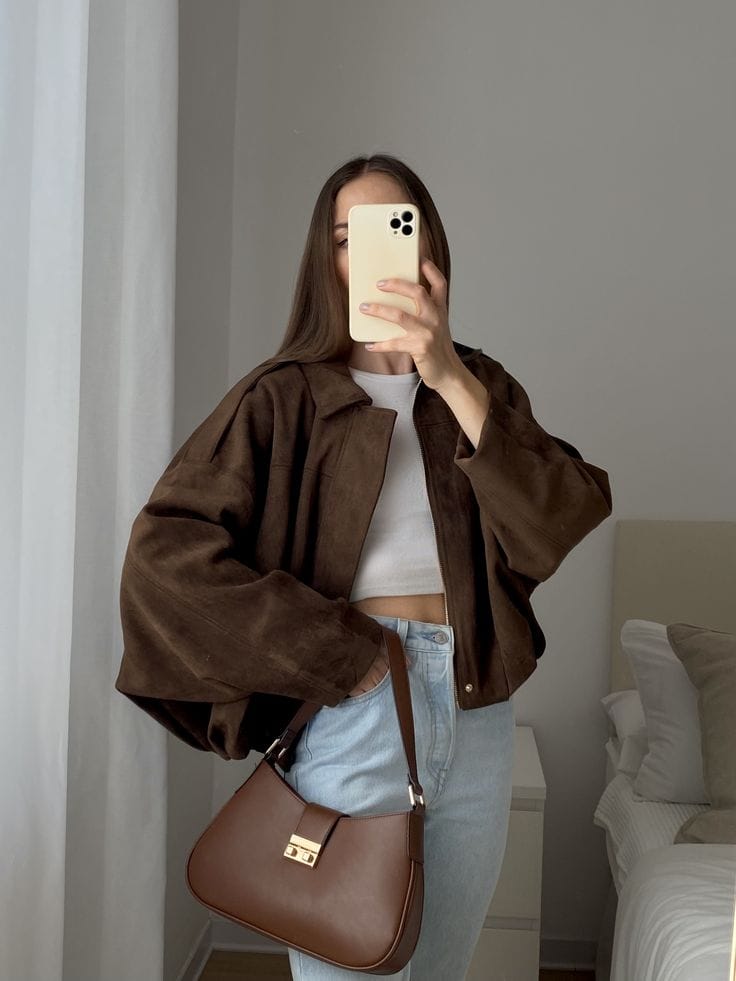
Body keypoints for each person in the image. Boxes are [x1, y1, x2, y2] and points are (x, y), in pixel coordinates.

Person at [115, 153, 613, 980]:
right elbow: (164, 557)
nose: (371, 253)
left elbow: (557, 518)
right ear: (328, 262)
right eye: (349, 237)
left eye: (394, 229)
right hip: (358, 710)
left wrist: (446, 372)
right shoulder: (284, 396)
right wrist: (340, 654)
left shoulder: (477, 386)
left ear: (428, 251)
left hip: (477, 715)